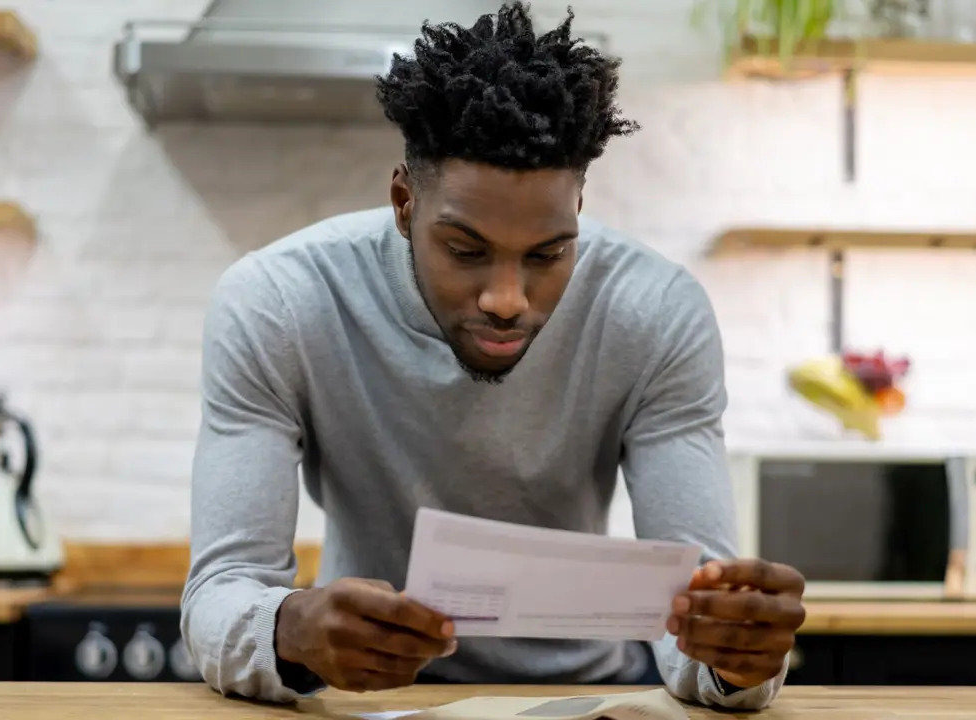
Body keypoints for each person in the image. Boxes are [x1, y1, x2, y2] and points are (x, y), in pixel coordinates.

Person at [181, 2, 806, 711]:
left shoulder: (653, 312)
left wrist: (737, 657)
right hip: (364, 698)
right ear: (404, 202)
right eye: (465, 250)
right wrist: (289, 629)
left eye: (547, 254)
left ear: (579, 207)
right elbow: (220, 592)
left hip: (588, 701)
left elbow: (700, 622)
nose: (506, 300)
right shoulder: (280, 303)